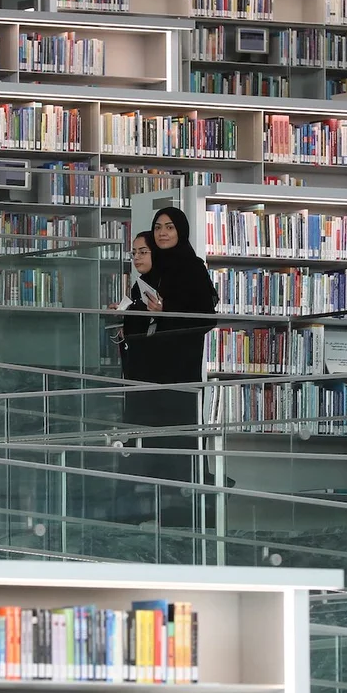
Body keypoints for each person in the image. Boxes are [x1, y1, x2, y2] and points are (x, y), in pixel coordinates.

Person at [114, 208, 220, 518]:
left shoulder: (192, 268)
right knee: (145, 431)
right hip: (148, 369)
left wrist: (166, 310)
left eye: (170, 227)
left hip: (178, 368)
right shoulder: (153, 271)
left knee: (174, 432)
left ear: (180, 231)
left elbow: (206, 317)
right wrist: (127, 318)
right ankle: (144, 505)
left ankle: (180, 506)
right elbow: (141, 315)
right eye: (158, 227)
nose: (163, 233)